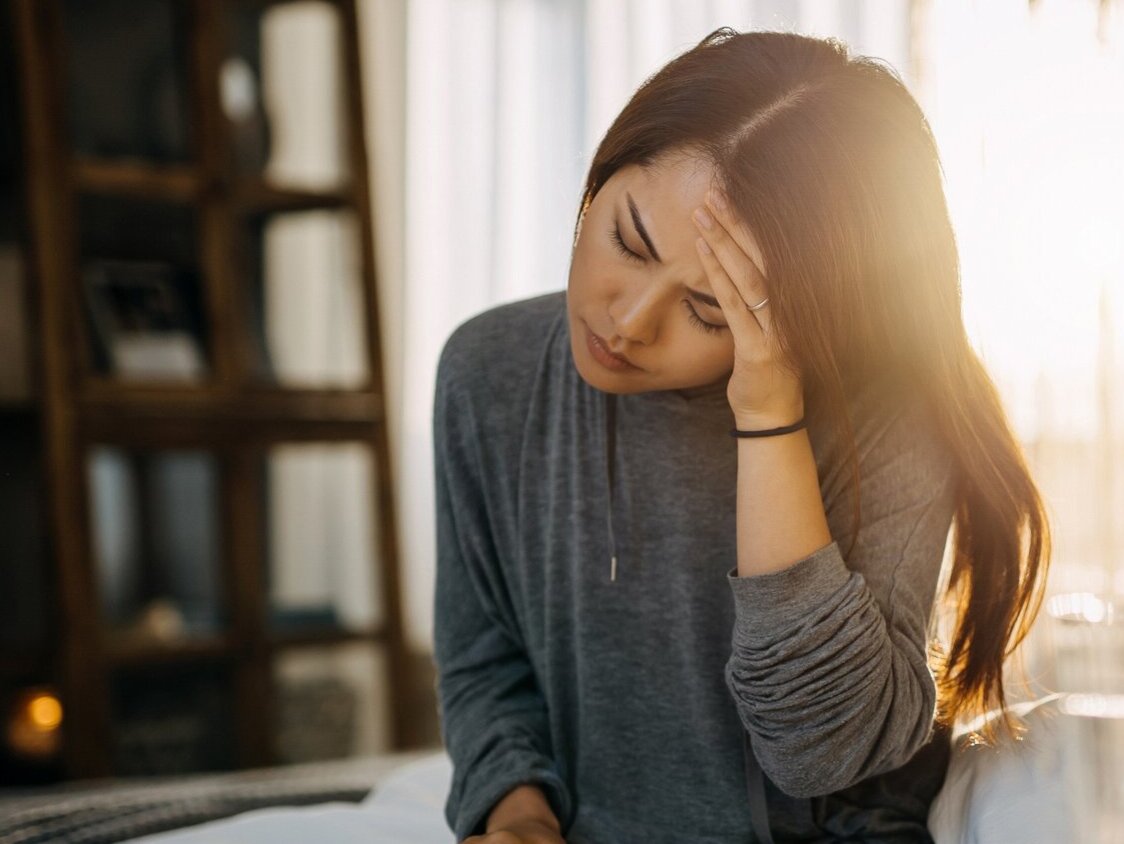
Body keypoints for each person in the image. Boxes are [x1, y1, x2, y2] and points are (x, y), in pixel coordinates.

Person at [431, 27, 1050, 844]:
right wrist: (516, 818)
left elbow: (821, 753)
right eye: (628, 239)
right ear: (608, 167)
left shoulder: (892, 416)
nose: (627, 320)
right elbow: (487, 664)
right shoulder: (488, 370)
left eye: (708, 310)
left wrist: (768, 416)